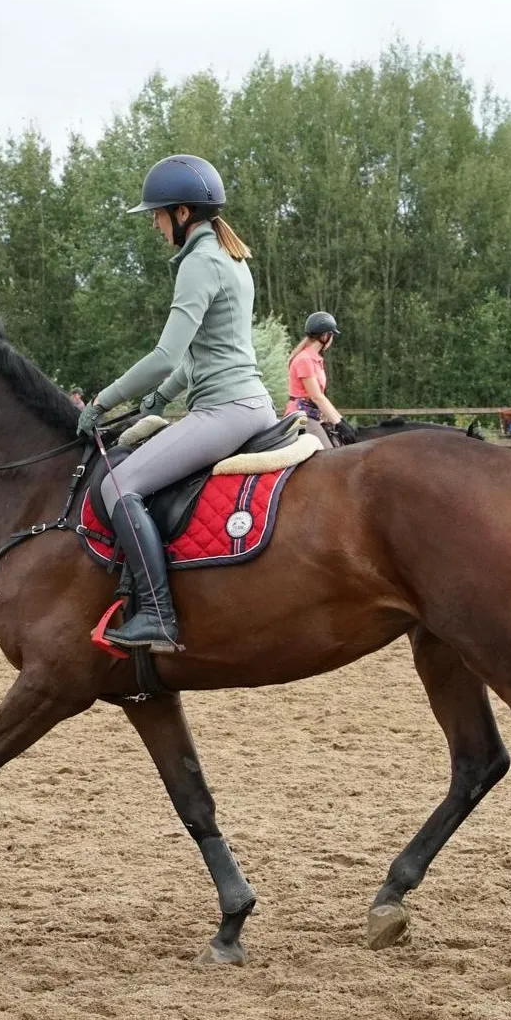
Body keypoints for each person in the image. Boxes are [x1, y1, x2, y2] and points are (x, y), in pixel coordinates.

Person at [76, 153, 274, 653]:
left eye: (157, 215)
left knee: (120, 486)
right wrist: (156, 401)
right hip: (249, 402)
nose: (155, 225)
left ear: (182, 214)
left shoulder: (199, 263)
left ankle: (159, 617)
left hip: (225, 411)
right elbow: (201, 356)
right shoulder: (230, 258)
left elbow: (166, 355)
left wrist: (104, 400)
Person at [289, 311, 358, 446]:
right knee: (329, 456)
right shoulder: (304, 360)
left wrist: (341, 421)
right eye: (332, 336)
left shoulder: (316, 360)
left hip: (315, 415)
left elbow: (321, 397)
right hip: (302, 417)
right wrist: (338, 423)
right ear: (325, 336)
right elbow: (316, 397)